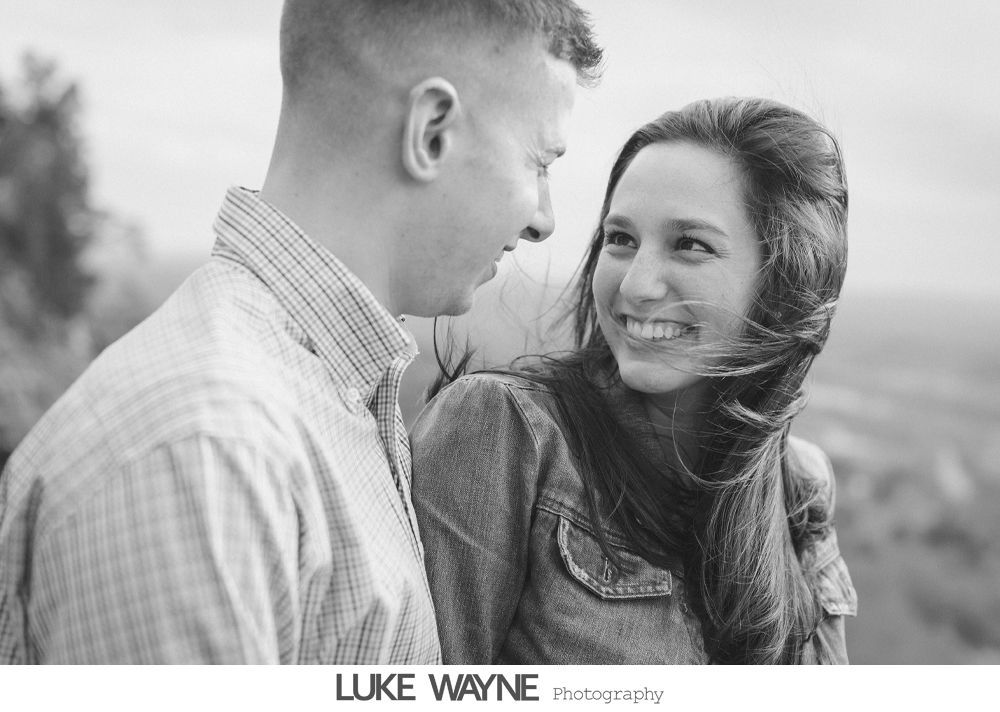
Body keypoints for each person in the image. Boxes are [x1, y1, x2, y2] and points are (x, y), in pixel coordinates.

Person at [0, 0, 601, 664]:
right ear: (431, 132)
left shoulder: (319, 403)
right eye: (539, 163)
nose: (545, 219)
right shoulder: (205, 449)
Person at [411, 97, 858, 664]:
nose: (636, 286)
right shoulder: (506, 432)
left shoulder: (799, 485)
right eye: (620, 239)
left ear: (784, 281)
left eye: (690, 245)